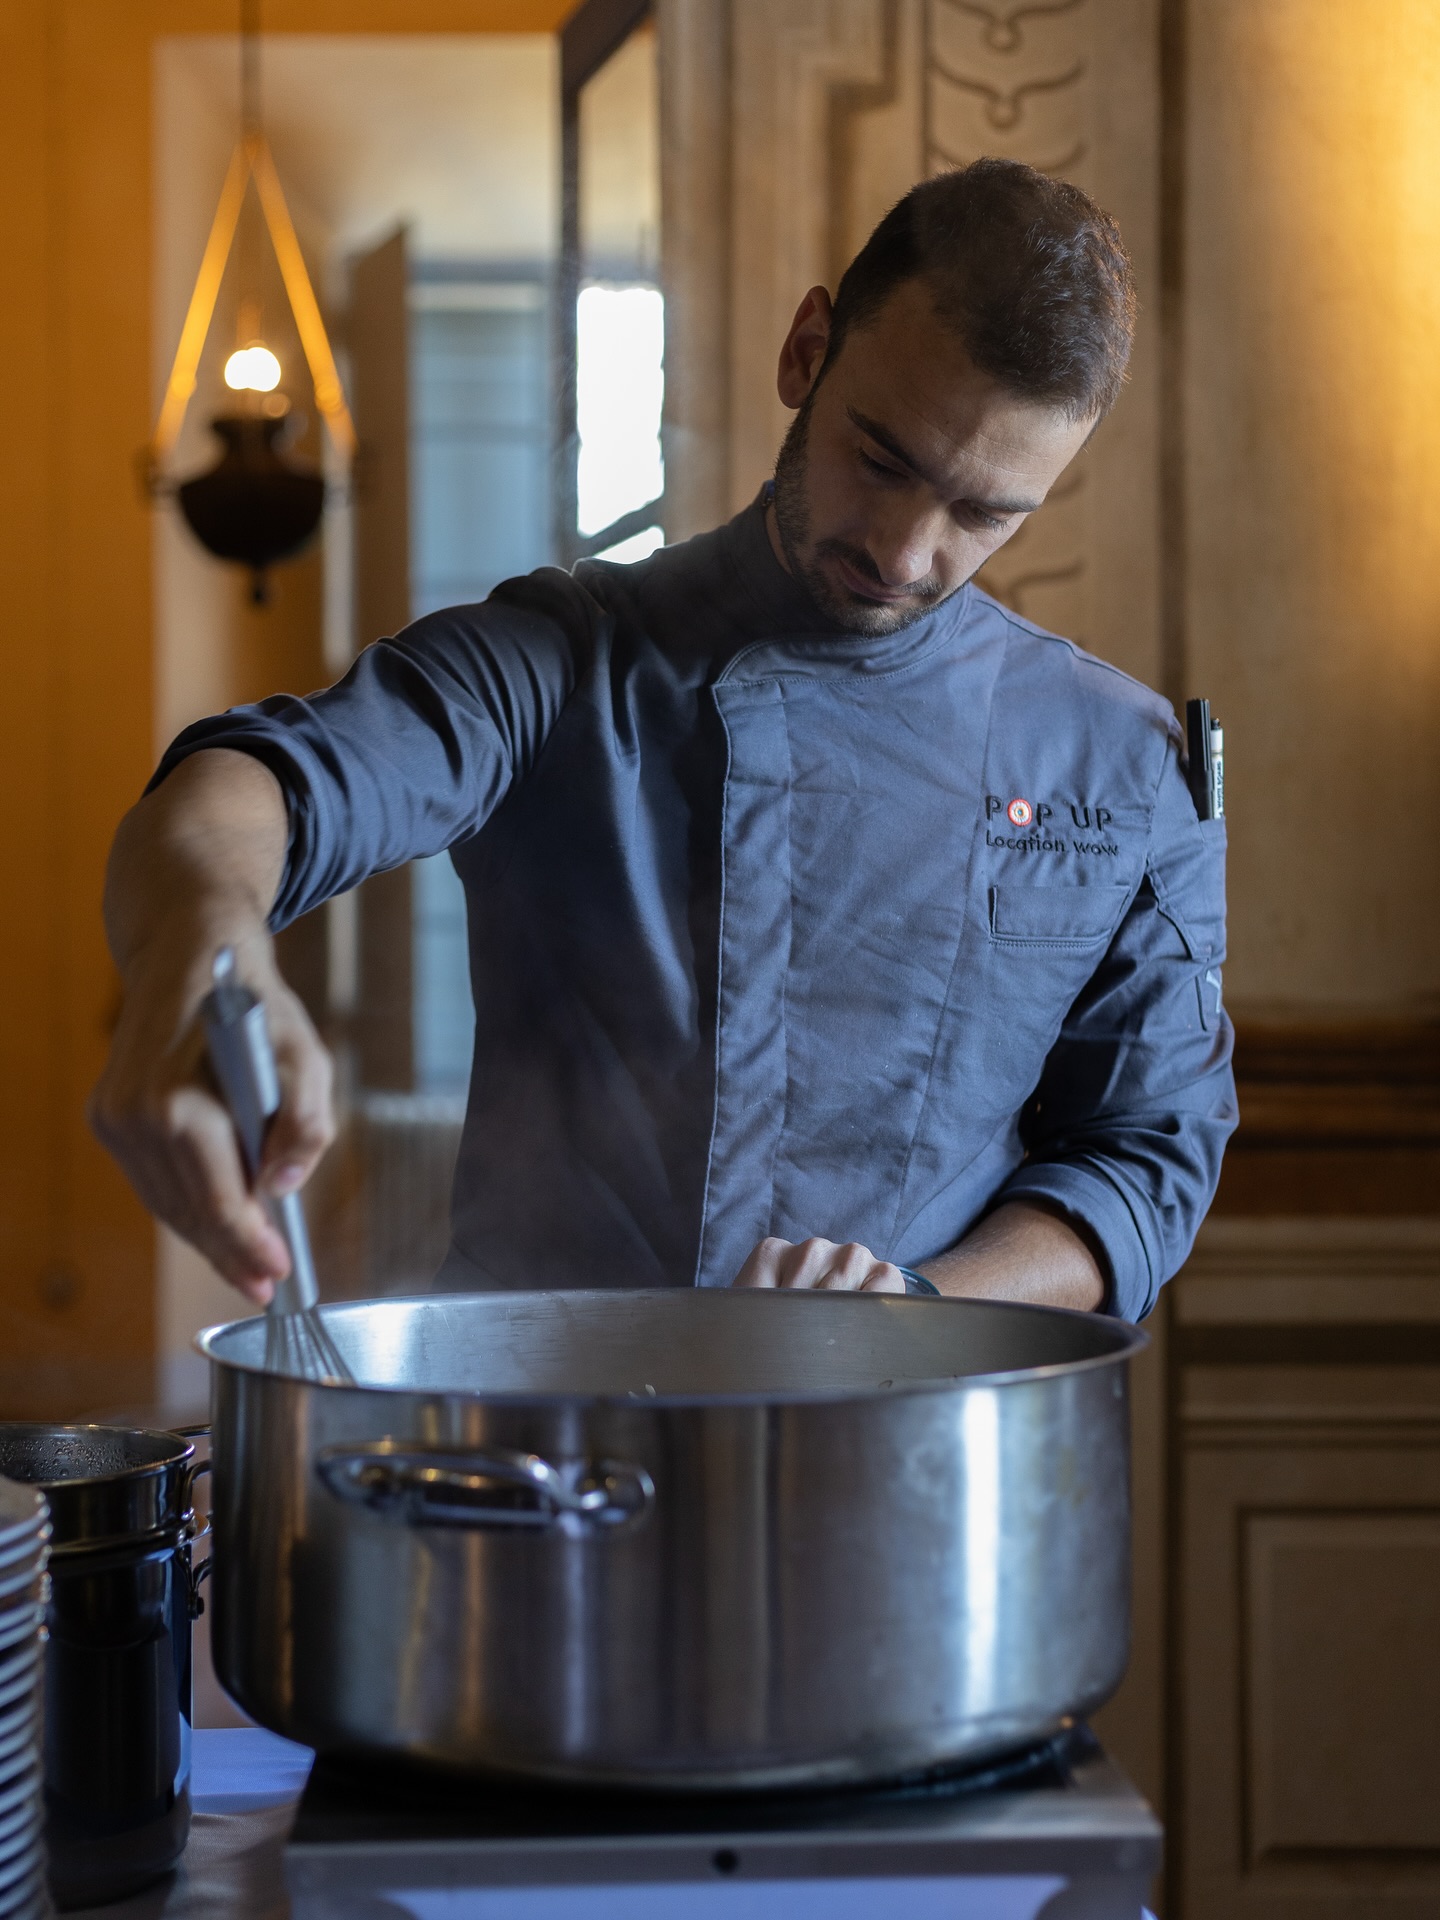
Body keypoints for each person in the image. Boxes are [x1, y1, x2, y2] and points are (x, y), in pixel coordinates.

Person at [90, 157, 1236, 1321]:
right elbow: (258, 789)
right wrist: (208, 953)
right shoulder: (563, 658)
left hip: (906, 1460)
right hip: (537, 1443)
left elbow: (1144, 1161)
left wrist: (917, 1303)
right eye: (881, 460)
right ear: (807, 352)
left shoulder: (1125, 763)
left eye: (984, 513)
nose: (902, 551)